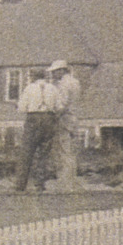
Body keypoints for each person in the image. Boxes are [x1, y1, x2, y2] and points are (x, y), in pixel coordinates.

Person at [14, 69, 66, 192]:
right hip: (49, 119)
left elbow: (21, 108)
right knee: (44, 152)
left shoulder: (29, 88)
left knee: (27, 152)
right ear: (44, 77)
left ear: (33, 77)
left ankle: (21, 185)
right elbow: (60, 107)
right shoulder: (53, 88)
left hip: (33, 118)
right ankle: (40, 184)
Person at [48, 60, 81, 189]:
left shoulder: (63, 84)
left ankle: (65, 181)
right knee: (71, 150)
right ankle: (71, 179)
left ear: (61, 70)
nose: (53, 75)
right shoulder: (75, 82)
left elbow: (62, 104)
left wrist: (54, 117)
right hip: (73, 117)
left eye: (55, 72)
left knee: (63, 149)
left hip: (65, 118)